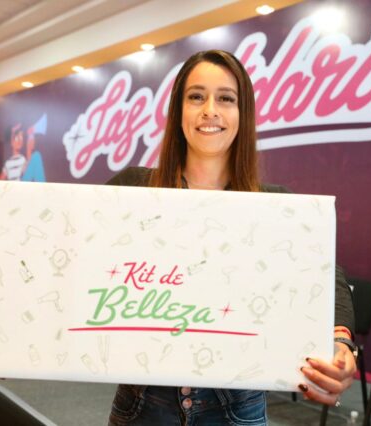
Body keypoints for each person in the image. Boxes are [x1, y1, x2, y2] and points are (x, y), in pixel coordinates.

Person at [105, 50, 356, 425]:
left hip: (237, 408)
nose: (210, 110)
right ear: (178, 111)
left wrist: (340, 343)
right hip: (142, 403)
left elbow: (326, 275)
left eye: (225, 98)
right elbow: (77, 253)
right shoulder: (133, 189)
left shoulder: (276, 205)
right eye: (196, 96)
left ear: (243, 114)